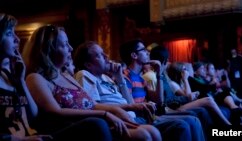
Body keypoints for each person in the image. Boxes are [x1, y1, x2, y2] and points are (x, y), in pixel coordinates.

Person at [22, 25, 161, 141]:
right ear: (48, 49)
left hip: (94, 123)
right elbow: (54, 112)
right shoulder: (35, 77)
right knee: (143, 134)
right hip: (74, 129)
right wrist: (103, 114)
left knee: (152, 131)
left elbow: (92, 104)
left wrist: (129, 107)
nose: (70, 48)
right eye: (64, 45)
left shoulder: (66, 76)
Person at [73, 41, 205, 141]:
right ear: (88, 64)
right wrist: (132, 103)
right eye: (99, 55)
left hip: (138, 116)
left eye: (104, 53)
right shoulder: (84, 74)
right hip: (126, 119)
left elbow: (149, 101)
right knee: (184, 124)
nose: (107, 56)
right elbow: (92, 106)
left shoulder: (108, 77)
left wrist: (119, 79)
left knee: (192, 119)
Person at [119, 39, 206, 141]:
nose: (147, 52)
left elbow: (158, 100)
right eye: (143, 50)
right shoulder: (126, 77)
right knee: (183, 124)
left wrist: (159, 73)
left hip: (151, 116)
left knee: (193, 119)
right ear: (134, 55)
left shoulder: (141, 77)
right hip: (143, 119)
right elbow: (131, 106)